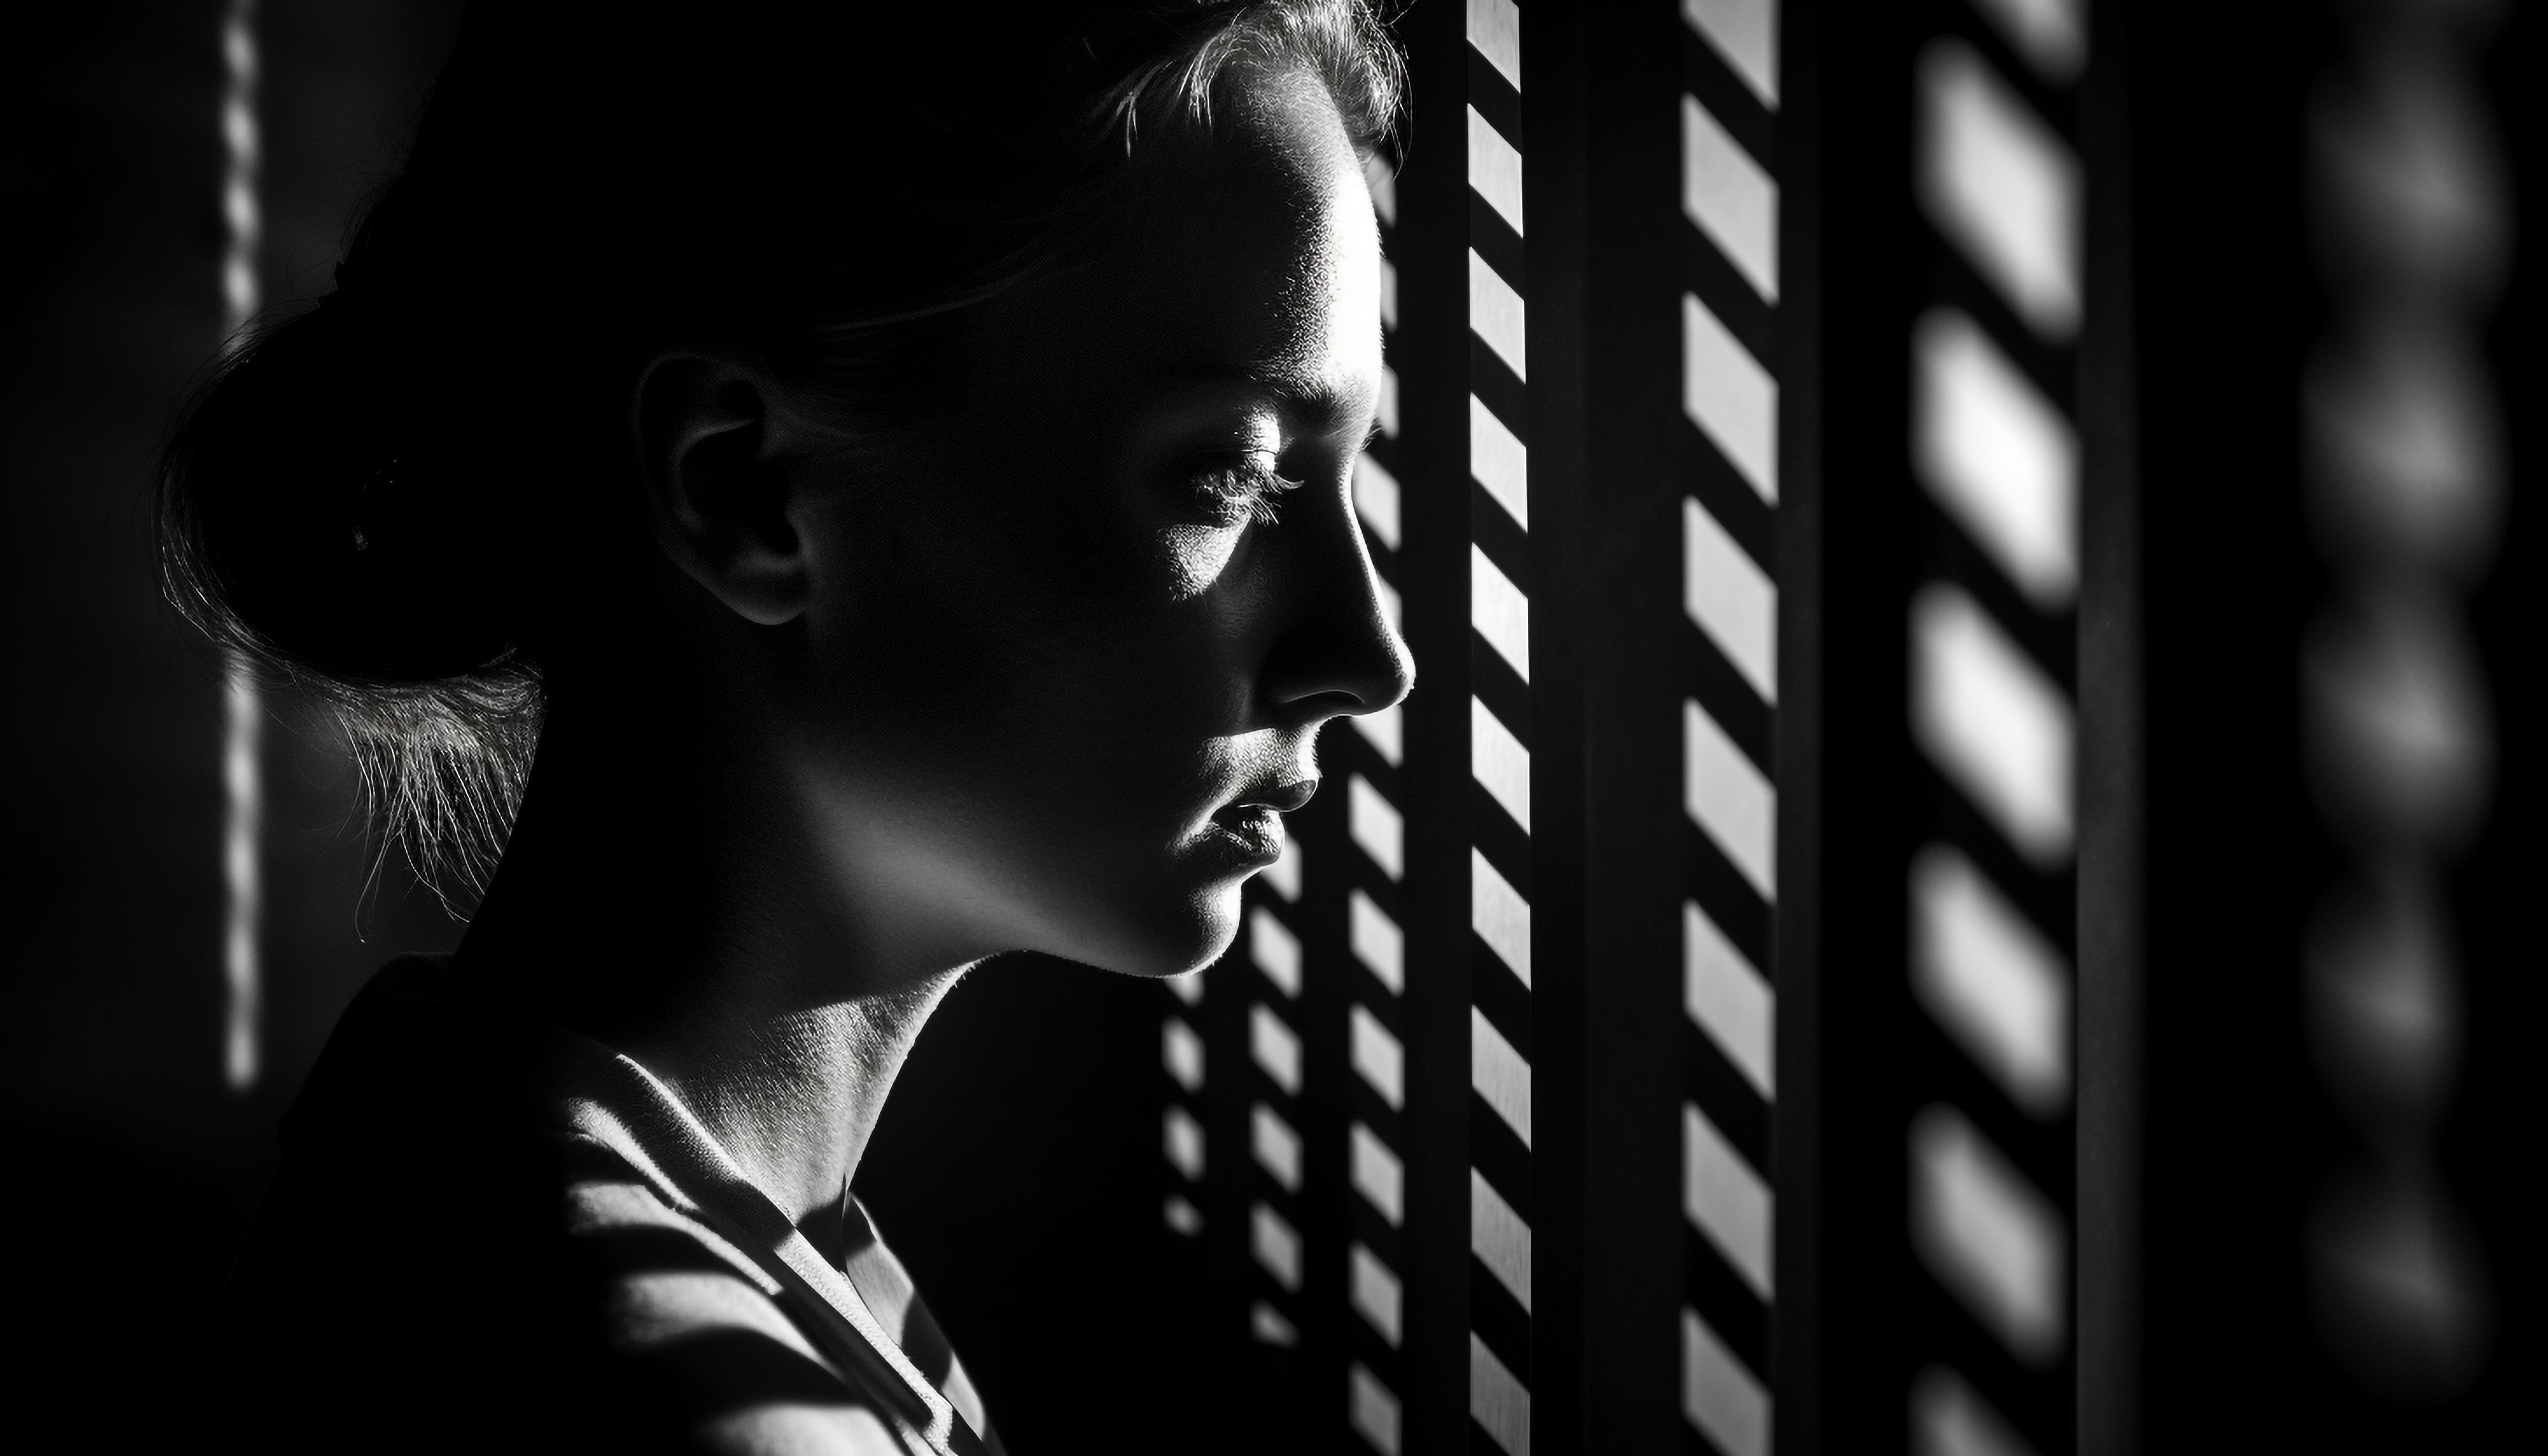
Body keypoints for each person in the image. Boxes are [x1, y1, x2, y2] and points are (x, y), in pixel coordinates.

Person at [163, 3, 1413, 1449]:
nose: (1367, 656)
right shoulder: (667, 1385)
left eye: (1341, 473)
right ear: (746, 491)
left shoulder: (501, 1159)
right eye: (1232, 475)